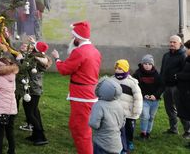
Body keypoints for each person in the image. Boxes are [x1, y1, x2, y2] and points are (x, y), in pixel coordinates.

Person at [51, 21, 102, 154]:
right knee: (85, 129)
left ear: (77, 37)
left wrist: (57, 59)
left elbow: (65, 69)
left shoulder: (80, 52)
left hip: (81, 96)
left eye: (72, 36)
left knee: (80, 130)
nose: (71, 39)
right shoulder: (95, 51)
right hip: (90, 94)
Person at [160, 35, 189, 137]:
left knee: (181, 110)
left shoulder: (183, 56)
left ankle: (188, 131)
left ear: (180, 44)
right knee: (169, 109)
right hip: (166, 86)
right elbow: (162, 70)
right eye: (171, 42)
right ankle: (173, 129)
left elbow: (184, 72)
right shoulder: (166, 55)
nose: (172, 44)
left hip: (177, 87)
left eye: (174, 42)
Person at [88, 77, 125, 154]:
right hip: (116, 143)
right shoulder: (119, 104)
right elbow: (122, 122)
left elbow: (94, 124)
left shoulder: (99, 105)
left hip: (102, 143)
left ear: (100, 90)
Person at [113, 59, 142, 152]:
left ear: (125, 70)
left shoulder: (132, 82)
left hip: (129, 112)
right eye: (116, 68)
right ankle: (119, 144)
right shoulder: (111, 80)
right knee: (118, 130)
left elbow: (138, 98)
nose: (117, 70)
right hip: (116, 112)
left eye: (120, 68)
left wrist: (136, 111)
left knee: (129, 129)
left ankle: (129, 141)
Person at [132, 54, 163, 140]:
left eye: (149, 64)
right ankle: (143, 133)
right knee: (145, 116)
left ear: (152, 65)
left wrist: (155, 95)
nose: (147, 66)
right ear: (142, 64)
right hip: (144, 99)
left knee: (151, 117)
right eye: (145, 64)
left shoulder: (156, 74)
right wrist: (143, 94)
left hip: (154, 100)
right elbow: (135, 86)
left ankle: (148, 132)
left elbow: (161, 86)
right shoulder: (137, 74)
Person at [176, 40, 190, 148]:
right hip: (185, 92)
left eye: (188, 48)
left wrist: (178, 76)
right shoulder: (188, 59)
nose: (186, 50)